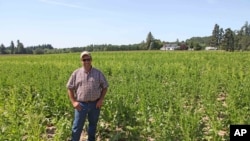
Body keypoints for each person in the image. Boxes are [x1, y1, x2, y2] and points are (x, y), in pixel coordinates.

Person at [66, 51, 109, 141]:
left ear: (91, 60)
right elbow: (69, 88)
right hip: (80, 105)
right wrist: (74, 102)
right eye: (84, 59)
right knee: (77, 126)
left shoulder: (98, 73)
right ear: (81, 61)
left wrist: (101, 100)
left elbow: (105, 87)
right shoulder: (76, 73)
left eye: (88, 59)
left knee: (92, 126)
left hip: (95, 104)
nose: (86, 61)